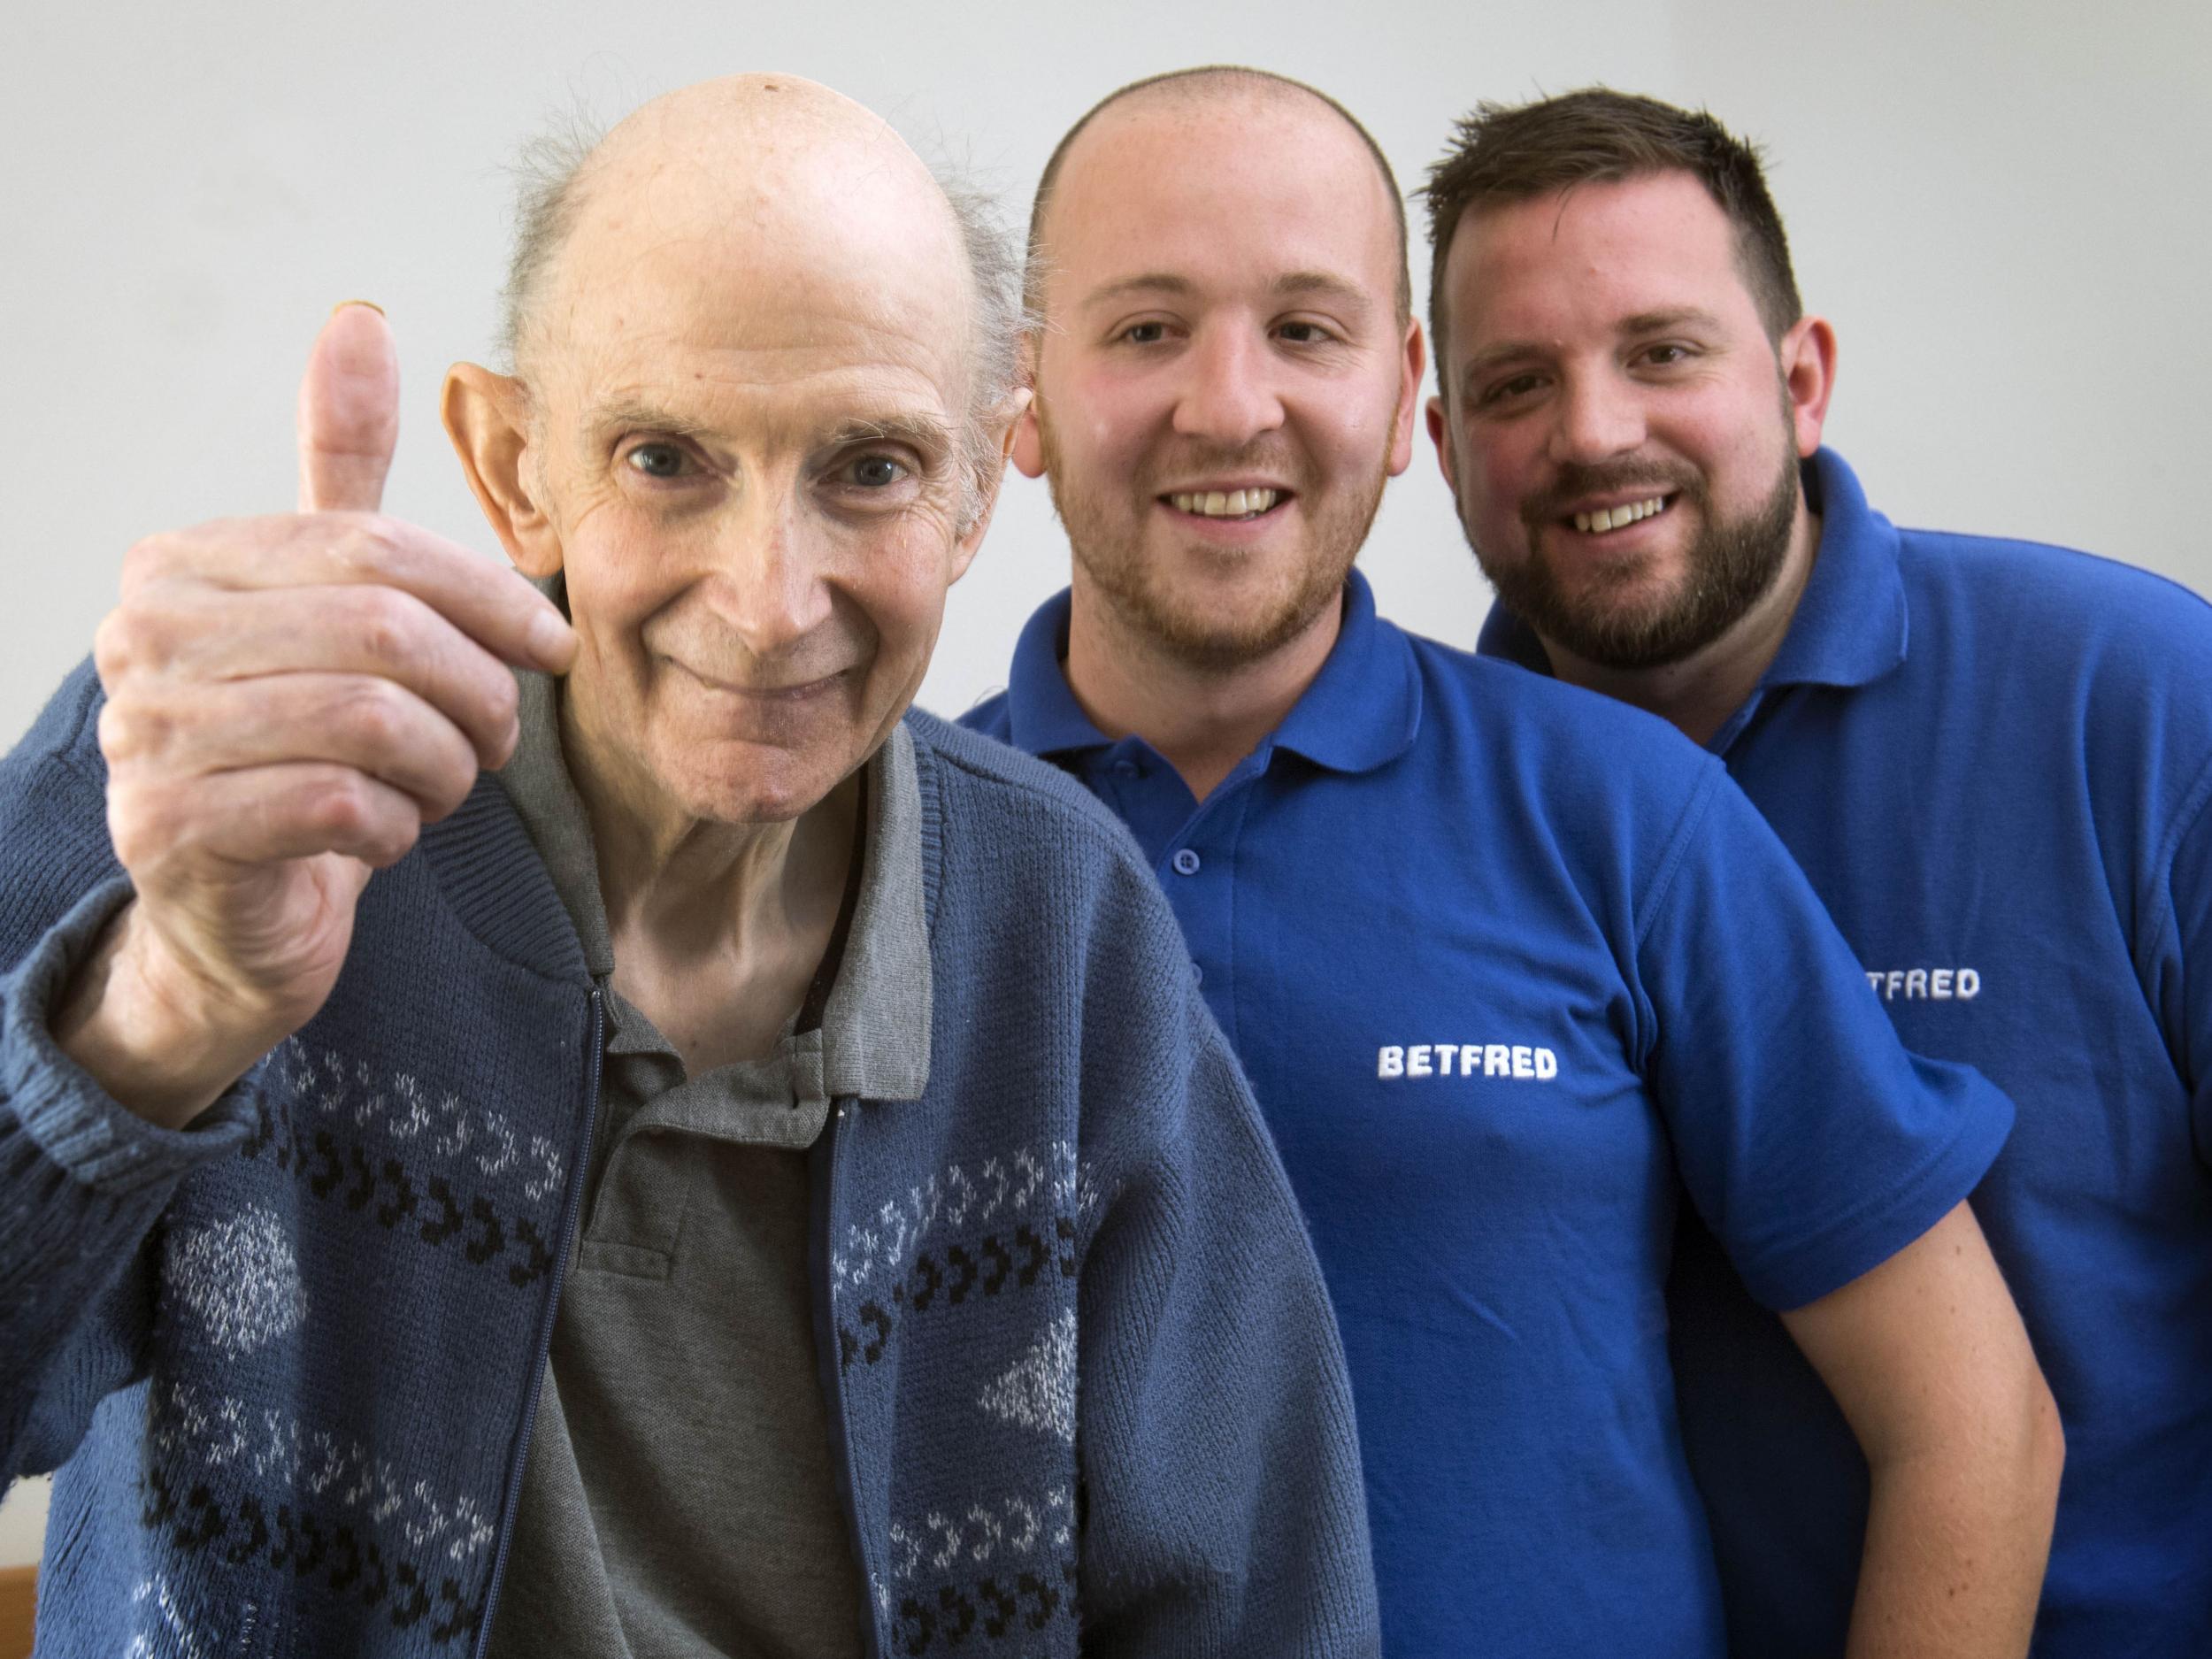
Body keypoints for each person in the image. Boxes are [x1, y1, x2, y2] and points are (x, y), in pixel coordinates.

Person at [0, 74, 1381, 1658]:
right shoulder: (217, 776)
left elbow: (1262, 1598)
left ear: (979, 492)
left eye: (868, 467)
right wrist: (172, 1009)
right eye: (665, 457)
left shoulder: (1061, 922)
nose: (772, 599)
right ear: (512, 462)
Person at [965, 65, 2062, 1658]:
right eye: (1143, 329)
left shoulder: (1624, 813)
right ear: (1025, 400)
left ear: (1402, 393)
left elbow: (1972, 1428)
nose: (1228, 403)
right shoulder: (897, 842)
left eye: (1307, 328)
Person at [1420, 85, 2212, 1656]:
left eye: (1663, 351)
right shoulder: (1420, 819)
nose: (1594, 432)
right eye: (1518, 382)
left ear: (1802, 380)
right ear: (1441, 446)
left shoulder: (2133, 701)